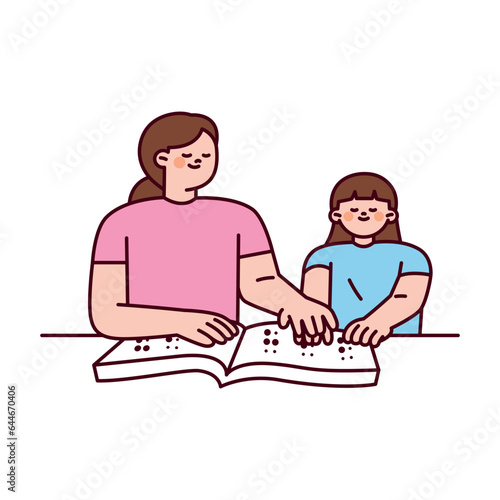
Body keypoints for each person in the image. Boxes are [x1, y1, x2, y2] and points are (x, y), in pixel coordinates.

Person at [89, 112, 336, 346]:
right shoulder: (119, 224)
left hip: (220, 345)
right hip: (145, 351)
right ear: (161, 159)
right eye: (187, 156)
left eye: (206, 155)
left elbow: (260, 282)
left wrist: (295, 304)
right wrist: (181, 322)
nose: (198, 161)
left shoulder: (241, 217)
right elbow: (107, 314)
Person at [302, 172, 432, 347]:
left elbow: (408, 297)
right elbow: (315, 305)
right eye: (353, 210)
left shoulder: (413, 257)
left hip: (397, 345)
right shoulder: (321, 257)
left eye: (373, 210)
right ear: (336, 215)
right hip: (337, 345)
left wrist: (379, 322)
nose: (363, 215)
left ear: (390, 215)